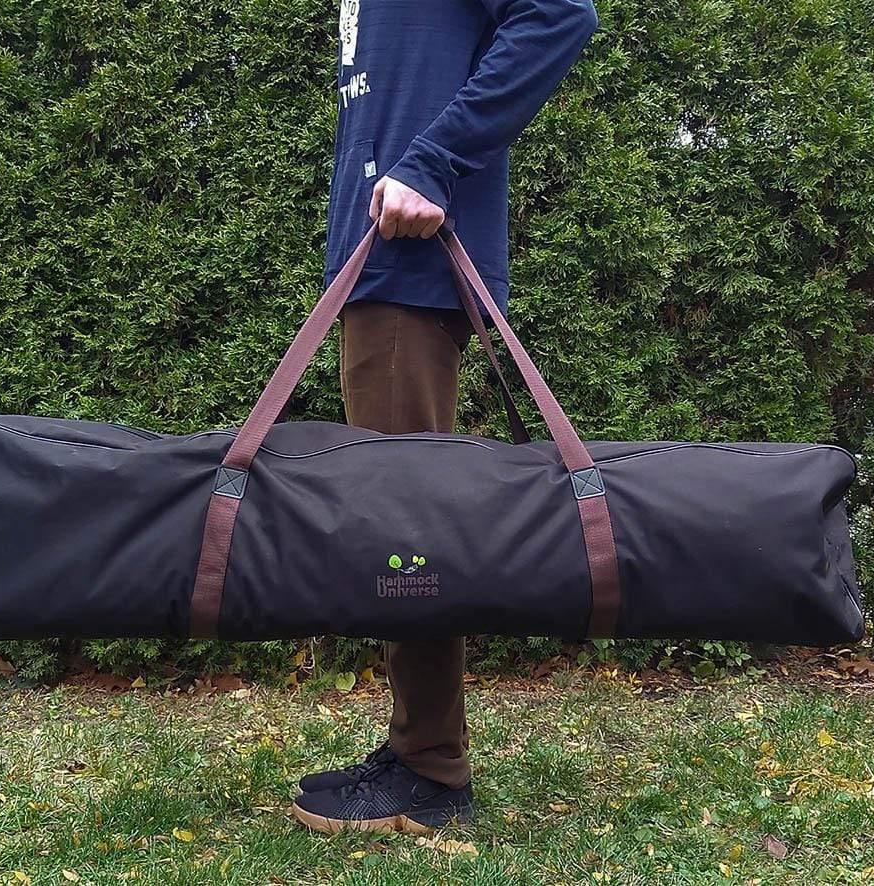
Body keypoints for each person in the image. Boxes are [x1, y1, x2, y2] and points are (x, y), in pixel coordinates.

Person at [291, 0, 599, 834]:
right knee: (397, 516)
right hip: (381, 264)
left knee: (404, 525)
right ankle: (419, 751)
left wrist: (430, 164)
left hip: (410, 262)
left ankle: (431, 768)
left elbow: (558, 14)